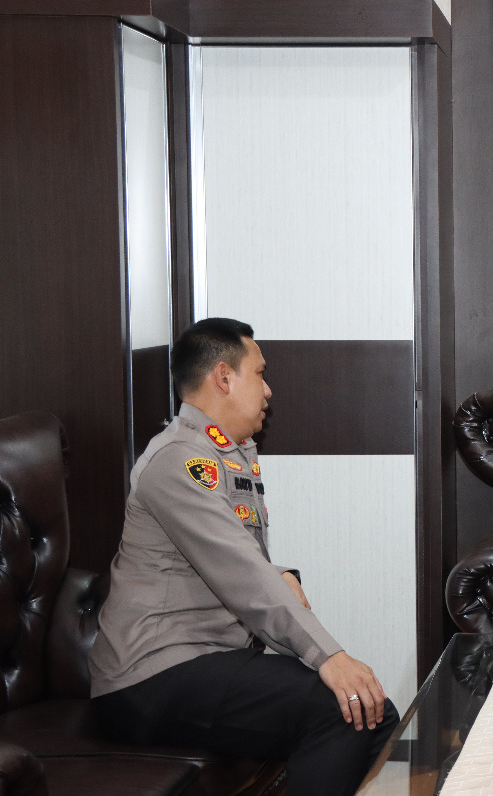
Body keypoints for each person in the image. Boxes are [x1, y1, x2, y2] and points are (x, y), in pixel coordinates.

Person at [89, 318, 397, 796]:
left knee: (371, 712)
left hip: (200, 659)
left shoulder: (224, 453)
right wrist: (329, 656)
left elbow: (225, 558)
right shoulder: (180, 461)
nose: (268, 389)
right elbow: (241, 572)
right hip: (150, 674)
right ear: (224, 377)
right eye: (260, 373)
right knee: (348, 709)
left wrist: (278, 574)